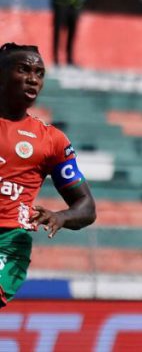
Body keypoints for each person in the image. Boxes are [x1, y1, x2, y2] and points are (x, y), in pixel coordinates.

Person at [0, 43, 97, 307]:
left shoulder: (50, 141)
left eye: (40, 73)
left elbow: (86, 206)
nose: (33, 79)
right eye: (24, 70)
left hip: (8, 240)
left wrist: (60, 216)